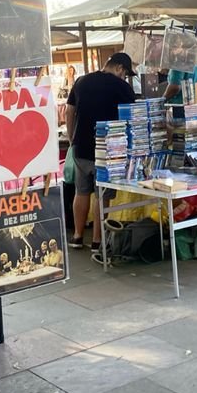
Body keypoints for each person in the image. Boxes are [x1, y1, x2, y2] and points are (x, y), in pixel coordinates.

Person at [66, 51, 136, 250]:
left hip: (80, 149)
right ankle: (97, 241)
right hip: (107, 150)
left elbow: (69, 110)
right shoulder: (121, 87)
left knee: (81, 192)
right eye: (126, 73)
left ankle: (78, 236)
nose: (125, 78)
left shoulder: (81, 81)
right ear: (120, 68)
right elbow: (133, 116)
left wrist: (72, 138)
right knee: (101, 195)